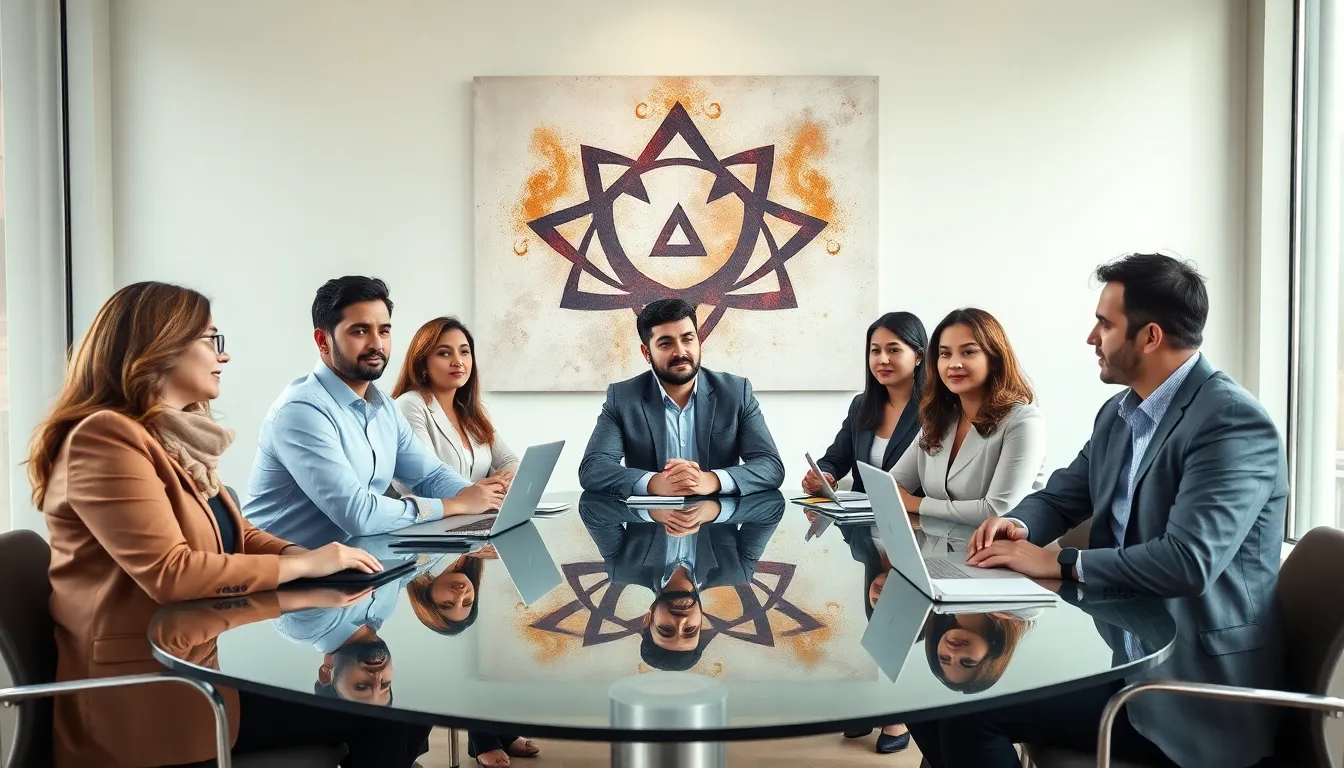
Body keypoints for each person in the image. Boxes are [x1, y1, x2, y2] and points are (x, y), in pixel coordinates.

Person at [32, 281, 429, 768]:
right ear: (159, 346)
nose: (225, 356)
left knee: (400, 712)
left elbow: (236, 532)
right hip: (149, 701)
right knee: (387, 716)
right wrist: (305, 565)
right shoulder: (105, 439)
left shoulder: (173, 439)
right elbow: (171, 574)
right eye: (212, 341)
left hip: (198, 674)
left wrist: (299, 558)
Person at [917, 253, 1289, 768]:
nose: (1092, 337)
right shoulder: (1120, 413)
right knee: (932, 696)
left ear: (1151, 336)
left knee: (967, 711)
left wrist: (1060, 562)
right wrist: (1018, 525)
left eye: (1104, 324)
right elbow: (1063, 495)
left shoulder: (1231, 422)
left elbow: (1188, 562)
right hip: (1123, 655)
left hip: (1191, 688)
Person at [245, 276, 505, 548]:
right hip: (285, 577)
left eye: (384, 331)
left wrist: (479, 497)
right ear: (323, 340)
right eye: (359, 331)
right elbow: (358, 515)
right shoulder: (302, 411)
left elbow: (430, 475)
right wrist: (454, 505)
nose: (377, 344)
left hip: (358, 564)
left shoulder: (384, 407)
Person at [578, 298, 785, 496]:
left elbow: (770, 465)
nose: (680, 351)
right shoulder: (623, 397)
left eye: (688, 339)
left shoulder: (735, 392)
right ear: (646, 353)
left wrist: (710, 480)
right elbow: (593, 468)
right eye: (666, 344)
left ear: (699, 341)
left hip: (719, 526)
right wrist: (654, 483)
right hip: (649, 526)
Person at [578, 491, 785, 671]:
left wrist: (650, 510)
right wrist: (716, 511)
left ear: (647, 620)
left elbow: (591, 508)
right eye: (690, 630)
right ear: (701, 624)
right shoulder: (737, 570)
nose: (680, 621)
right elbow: (772, 508)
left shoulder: (622, 568)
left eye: (666, 629)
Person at [888, 307, 1046, 525]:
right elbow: (892, 484)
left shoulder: (1022, 421)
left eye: (968, 352)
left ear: (994, 358)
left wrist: (916, 503)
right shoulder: (940, 418)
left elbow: (996, 510)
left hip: (1003, 550)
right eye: (945, 353)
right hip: (941, 549)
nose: (954, 364)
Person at [404, 549, 542, 767]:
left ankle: (491, 731)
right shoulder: (422, 569)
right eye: (463, 602)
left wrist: (471, 546)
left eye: (450, 603)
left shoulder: (456, 565)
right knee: (468, 648)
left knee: (489, 642)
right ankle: (484, 733)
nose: (460, 596)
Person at [804, 311, 928, 496]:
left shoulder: (937, 408)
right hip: (861, 520)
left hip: (916, 519)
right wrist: (824, 476)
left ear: (918, 356)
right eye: (875, 350)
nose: (882, 359)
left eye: (894, 350)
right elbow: (835, 459)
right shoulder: (860, 405)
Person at [390, 316, 519, 492]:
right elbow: (428, 476)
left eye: (464, 352)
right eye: (444, 353)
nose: (458, 361)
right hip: (435, 517)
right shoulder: (409, 404)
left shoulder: (471, 412)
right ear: (422, 364)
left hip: (479, 514)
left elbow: (509, 461)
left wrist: (500, 484)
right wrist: (479, 490)